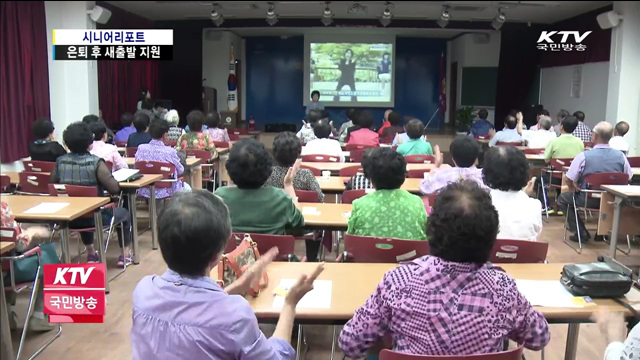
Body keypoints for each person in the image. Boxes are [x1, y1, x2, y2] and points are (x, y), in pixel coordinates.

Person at [339, 181, 550, 358]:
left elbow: (350, 343)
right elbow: (539, 338)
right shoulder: (502, 287)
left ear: (430, 229)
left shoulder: (398, 281)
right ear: (491, 236)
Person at [131, 190, 325, 360]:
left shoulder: (144, 292)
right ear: (218, 254)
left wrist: (236, 287)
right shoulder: (235, 315)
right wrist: (290, 304)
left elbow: (190, 312)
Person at [50, 122, 132, 266]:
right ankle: (124, 255)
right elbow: (114, 189)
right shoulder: (96, 163)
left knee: (83, 208)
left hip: (69, 217)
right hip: (97, 217)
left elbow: (52, 185)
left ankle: (90, 253)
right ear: (90, 144)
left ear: (67, 144)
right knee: (124, 213)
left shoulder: (60, 162)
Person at [558, 122, 633, 242]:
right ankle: (602, 232)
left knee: (563, 199)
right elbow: (628, 177)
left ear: (595, 136)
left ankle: (580, 232)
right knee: (605, 201)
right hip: (613, 200)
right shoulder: (621, 156)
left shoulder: (583, 156)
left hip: (588, 199)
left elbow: (568, 179)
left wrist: (573, 188)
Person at [215, 139, 304, 235]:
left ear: (230, 169)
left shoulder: (219, 198)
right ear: (268, 167)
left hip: (234, 250)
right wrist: (288, 185)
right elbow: (299, 222)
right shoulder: (280, 198)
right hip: (273, 249)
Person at [266, 132, 324, 261]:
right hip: (302, 225)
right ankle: (312, 258)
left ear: (274, 152)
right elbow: (320, 198)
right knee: (317, 227)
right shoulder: (306, 174)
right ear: (298, 153)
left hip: (276, 224)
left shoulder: (267, 174)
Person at [347, 148, 427, 240]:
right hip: (410, 254)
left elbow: (350, 241)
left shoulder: (359, 205)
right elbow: (424, 238)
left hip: (369, 254)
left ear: (371, 178)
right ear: (404, 176)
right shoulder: (417, 203)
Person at [2, 201, 56, 331]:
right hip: (6, 274)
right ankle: (40, 315)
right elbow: (19, 243)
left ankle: (6, 315)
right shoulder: (2, 209)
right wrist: (32, 232)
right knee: (48, 254)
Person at [483, 146, 542, 241]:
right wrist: (524, 195)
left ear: (487, 172)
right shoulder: (534, 206)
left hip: (489, 254)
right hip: (525, 255)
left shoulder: (482, 205)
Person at [135, 118, 189, 200]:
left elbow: (137, 166)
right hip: (167, 190)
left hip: (144, 189)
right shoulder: (170, 151)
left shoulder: (141, 148)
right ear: (165, 135)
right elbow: (180, 170)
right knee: (188, 188)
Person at [420, 137, 486, 195]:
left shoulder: (443, 175)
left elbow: (424, 187)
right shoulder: (486, 177)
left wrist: (436, 165)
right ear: (476, 159)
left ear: (452, 158)